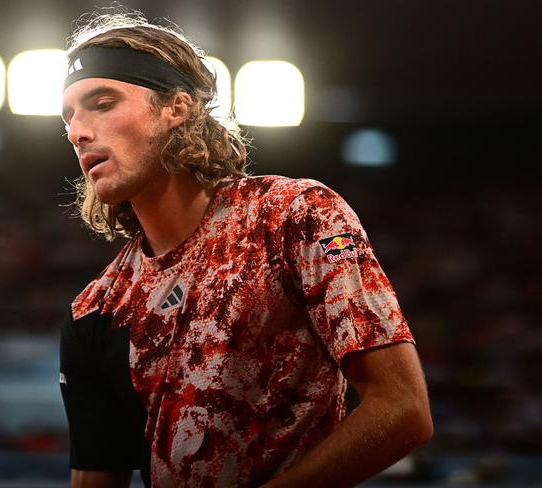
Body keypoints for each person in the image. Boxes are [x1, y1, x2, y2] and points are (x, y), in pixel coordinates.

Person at [58, 9, 433, 488]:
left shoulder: (294, 215)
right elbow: (97, 474)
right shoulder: (97, 309)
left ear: (177, 107)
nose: (77, 131)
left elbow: (403, 409)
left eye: (102, 103)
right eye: (68, 117)